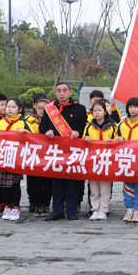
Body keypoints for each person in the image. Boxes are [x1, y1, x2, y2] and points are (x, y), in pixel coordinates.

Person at [40, 81, 88, 221]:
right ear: (56, 93)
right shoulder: (50, 109)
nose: (61, 93)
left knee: (72, 182)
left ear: (70, 92)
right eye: (59, 91)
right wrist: (46, 131)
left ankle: (72, 211)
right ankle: (57, 211)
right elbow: (42, 126)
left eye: (64, 90)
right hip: (55, 151)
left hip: (72, 150)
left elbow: (84, 126)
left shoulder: (79, 108)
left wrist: (78, 132)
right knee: (57, 183)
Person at [0, 98, 30, 221]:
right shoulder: (0, 123)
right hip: (3, 157)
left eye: (13, 106)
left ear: (20, 109)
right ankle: (7, 206)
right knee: (3, 185)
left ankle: (16, 207)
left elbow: (32, 139)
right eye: (8, 106)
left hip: (16, 158)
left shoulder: (23, 123)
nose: (9, 109)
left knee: (15, 184)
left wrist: (26, 133)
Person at [83, 100, 116, 221]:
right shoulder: (89, 127)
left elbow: (118, 140)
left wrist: (115, 141)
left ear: (105, 111)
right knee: (94, 189)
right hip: (92, 162)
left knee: (105, 188)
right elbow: (82, 141)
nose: (97, 113)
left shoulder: (113, 126)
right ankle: (95, 209)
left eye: (99, 110)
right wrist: (85, 139)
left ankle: (104, 210)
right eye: (94, 110)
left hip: (107, 162)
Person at [26, 94, 52, 216]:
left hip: (48, 157)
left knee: (47, 182)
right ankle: (36, 204)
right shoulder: (27, 121)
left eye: (44, 108)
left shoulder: (53, 124)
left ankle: (46, 204)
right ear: (35, 108)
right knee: (33, 182)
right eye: (39, 108)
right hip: (33, 157)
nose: (42, 110)